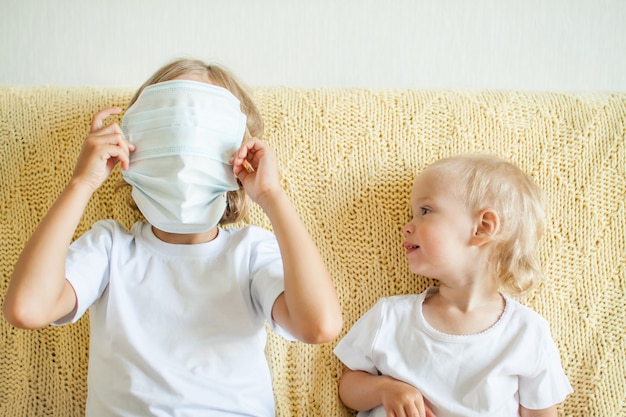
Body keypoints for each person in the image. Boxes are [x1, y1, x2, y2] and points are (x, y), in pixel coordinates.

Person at [3, 58, 343, 417]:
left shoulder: (249, 251)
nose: (183, 159)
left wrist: (272, 195)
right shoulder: (110, 247)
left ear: (239, 153)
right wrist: (81, 184)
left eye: (200, 137)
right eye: (170, 132)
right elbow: (27, 308)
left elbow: (319, 325)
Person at [334, 154, 572, 417]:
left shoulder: (527, 333)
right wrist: (384, 390)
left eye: (425, 211)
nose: (406, 227)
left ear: (482, 227)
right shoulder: (390, 316)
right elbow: (348, 387)